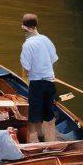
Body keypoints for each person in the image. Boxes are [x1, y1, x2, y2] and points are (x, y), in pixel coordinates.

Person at [19, 13, 58, 143]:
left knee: (34, 115)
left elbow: (26, 67)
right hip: (50, 81)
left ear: (25, 28)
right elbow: (53, 58)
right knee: (49, 113)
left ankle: (37, 139)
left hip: (36, 83)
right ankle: (49, 138)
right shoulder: (46, 39)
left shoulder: (27, 45)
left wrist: (26, 78)